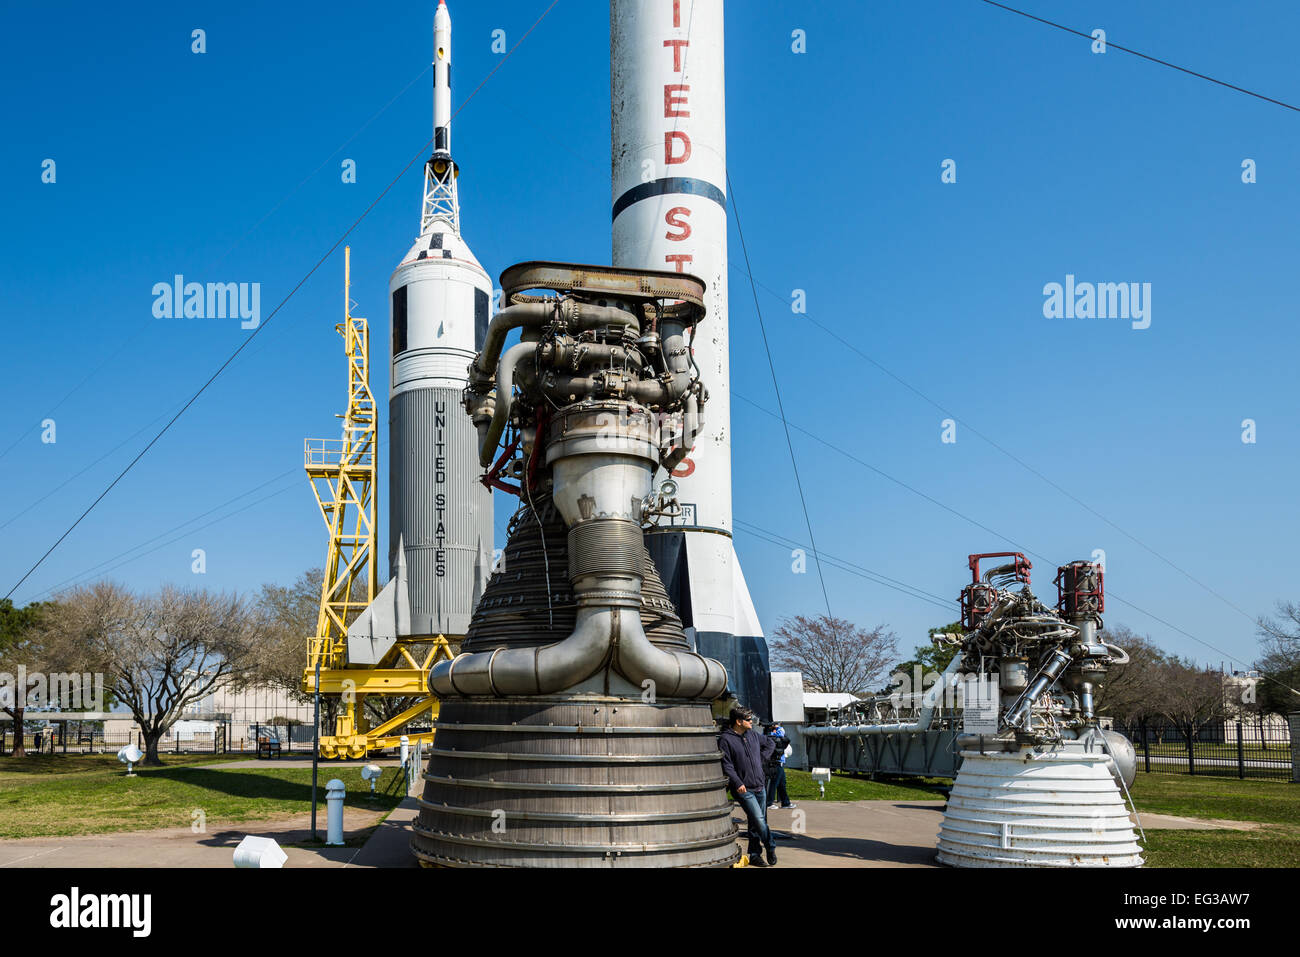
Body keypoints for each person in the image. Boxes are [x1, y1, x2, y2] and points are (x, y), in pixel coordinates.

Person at [717, 706, 777, 865]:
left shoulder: (753, 735)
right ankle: (770, 846)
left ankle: (755, 855)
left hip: (760, 785)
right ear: (738, 721)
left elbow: (770, 743)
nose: (752, 722)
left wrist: (761, 758)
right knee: (758, 819)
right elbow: (727, 765)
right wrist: (737, 782)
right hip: (744, 789)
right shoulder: (726, 739)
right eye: (748, 720)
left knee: (757, 822)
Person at [764, 722, 796, 810]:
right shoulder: (771, 735)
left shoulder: (777, 732)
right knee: (775, 783)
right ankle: (769, 802)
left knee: (782, 783)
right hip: (775, 762)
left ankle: (785, 802)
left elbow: (782, 738)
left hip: (779, 762)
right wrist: (776, 729)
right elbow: (781, 739)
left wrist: (776, 728)